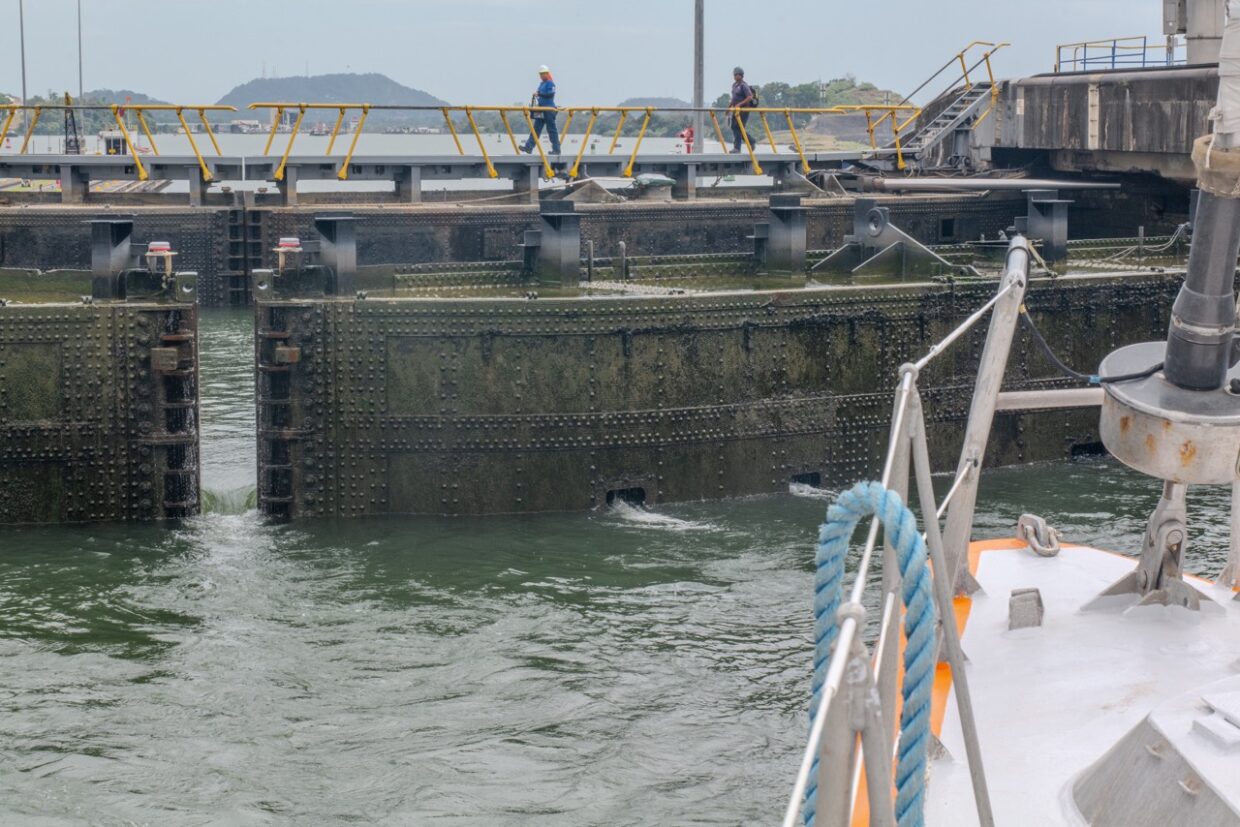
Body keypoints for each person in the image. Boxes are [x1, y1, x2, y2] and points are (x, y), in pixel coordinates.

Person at [521, 65, 561, 155]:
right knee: (536, 129)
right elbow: (540, 94)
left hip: (549, 109)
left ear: (547, 73)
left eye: (543, 74)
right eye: (540, 74)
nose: (542, 76)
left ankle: (556, 149)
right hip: (541, 109)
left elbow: (550, 94)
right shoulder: (541, 84)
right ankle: (528, 147)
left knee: (551, 130)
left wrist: (539, 94)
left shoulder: (550, 83)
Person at [728, 67, 756, 154]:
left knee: (739, 128)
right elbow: (733, 99)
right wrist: (729, 108)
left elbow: (750, 97)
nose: (736, 76)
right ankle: (751, 141)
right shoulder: (734, 85)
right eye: (735, 74)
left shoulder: (744, 85)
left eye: (737, 74)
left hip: (743, 111)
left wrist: (740, 104)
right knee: (734, 127)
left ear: (741, 75)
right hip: (736, 111)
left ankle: (737, 148)